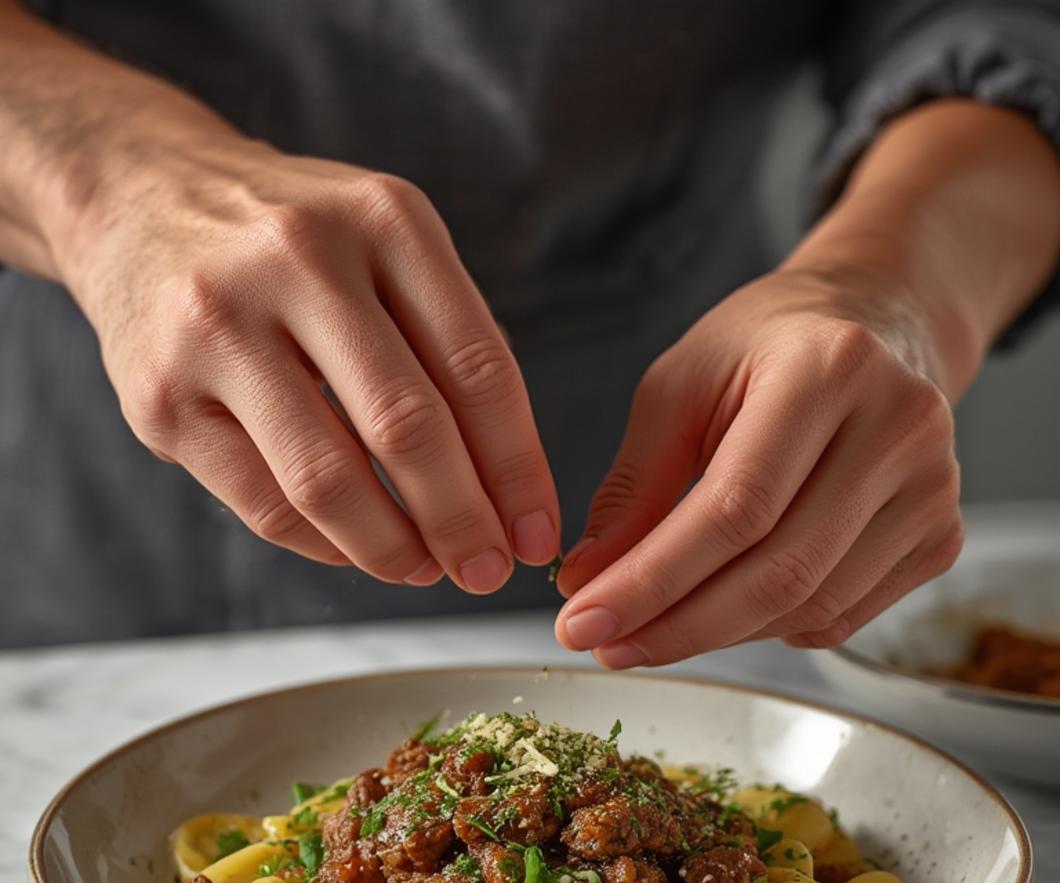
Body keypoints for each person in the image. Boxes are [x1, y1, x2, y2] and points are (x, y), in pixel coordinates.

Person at [1, 2, 1058, 660]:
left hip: (689, 497)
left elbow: (1000, 25)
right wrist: (104, 179)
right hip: (82, 514)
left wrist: (896, 290)